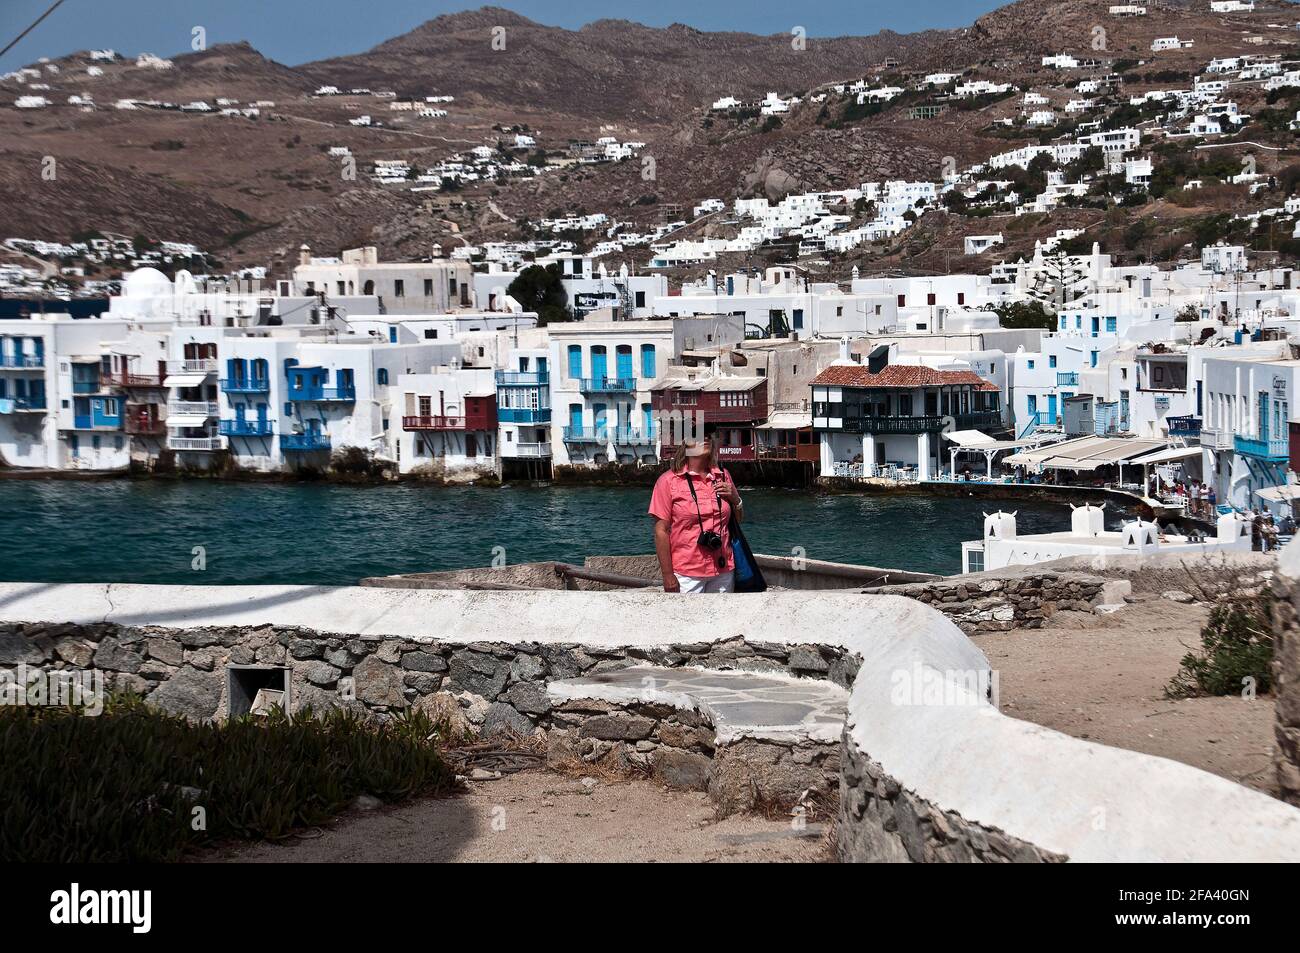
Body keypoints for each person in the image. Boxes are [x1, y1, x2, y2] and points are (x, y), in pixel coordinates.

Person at [649, 436, 743, 593]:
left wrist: (736, 499)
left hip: (723, 568)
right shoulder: (668, 481)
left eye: (707, 435)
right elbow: (661, 531)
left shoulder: (723, 476)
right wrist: (667, 574)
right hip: (687, 574)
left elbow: (737, 521)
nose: (704, 437)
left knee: (722, 616)